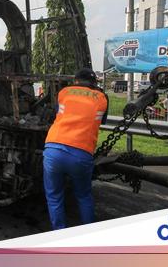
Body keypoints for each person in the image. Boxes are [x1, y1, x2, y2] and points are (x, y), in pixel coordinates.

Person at [43, 68, 108, 229]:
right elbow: (103, 121)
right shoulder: (102, 97)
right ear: (94, 82)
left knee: (54, 196)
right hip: (81, 152)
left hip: (53, 148)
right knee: (84, 195)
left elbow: (58, 113)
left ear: (76, 80)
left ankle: (59, 233)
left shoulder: (64, 92)